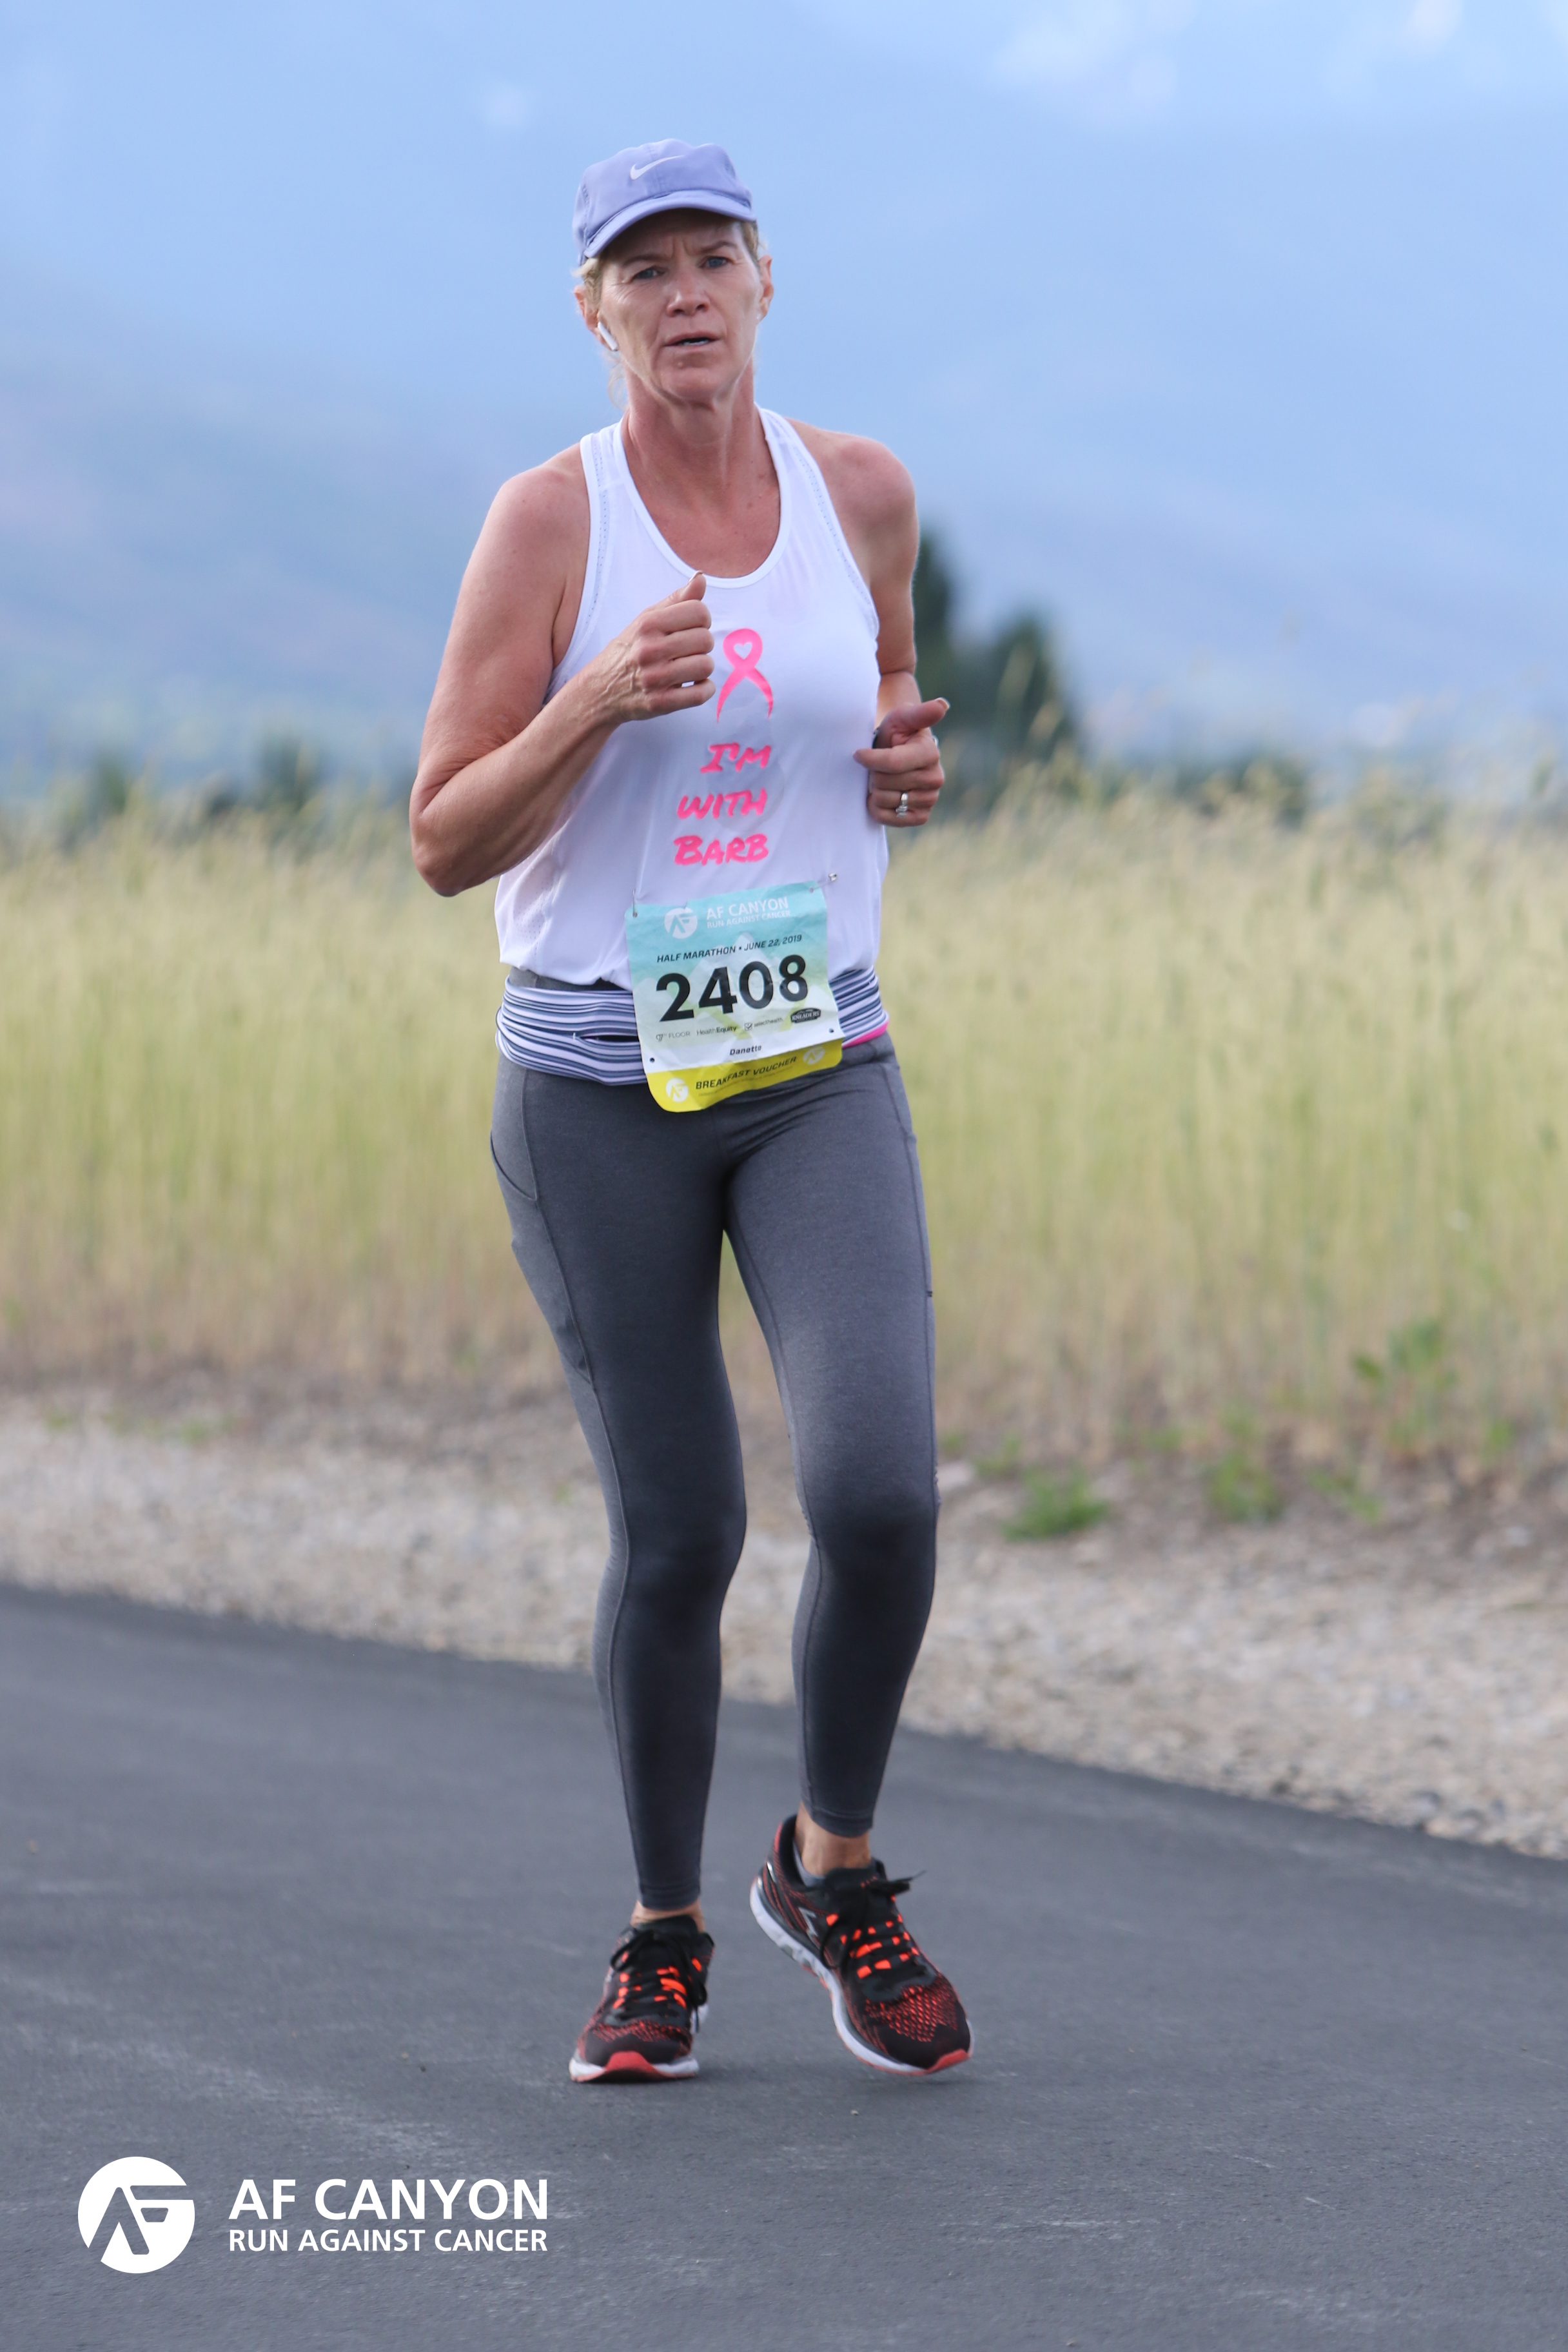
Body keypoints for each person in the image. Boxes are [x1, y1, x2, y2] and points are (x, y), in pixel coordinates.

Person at [410, 139, 971, 2081]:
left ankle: (832, 1868)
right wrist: (591, 704)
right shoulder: (548, 523)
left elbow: (885, 702)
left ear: (763, 280)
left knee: (881, 1493)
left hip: (814, 1061)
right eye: (641, 271)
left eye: (711, 257)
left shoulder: (862, 491)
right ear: (594, 311)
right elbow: (442, 839)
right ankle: (662, 1937)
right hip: (598, 1087)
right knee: (684, 1534)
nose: (684, 296)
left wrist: (906, 767)